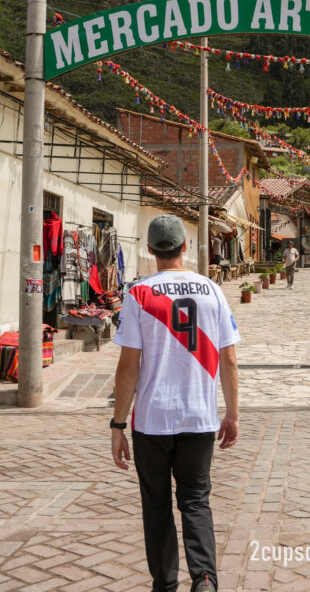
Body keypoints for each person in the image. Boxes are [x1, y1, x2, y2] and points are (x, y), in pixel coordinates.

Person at [111, 214, 240, 592]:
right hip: (200, 418)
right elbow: (229, 359)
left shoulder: (137, 294)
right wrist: (231, 414)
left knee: (156, 505)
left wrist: (118, 426)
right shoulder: (212, 290)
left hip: (151, 421)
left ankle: (165, 584)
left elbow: (128, 367)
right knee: (196, 501)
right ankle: (204, 579)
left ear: (150, 250)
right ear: (185, 247)